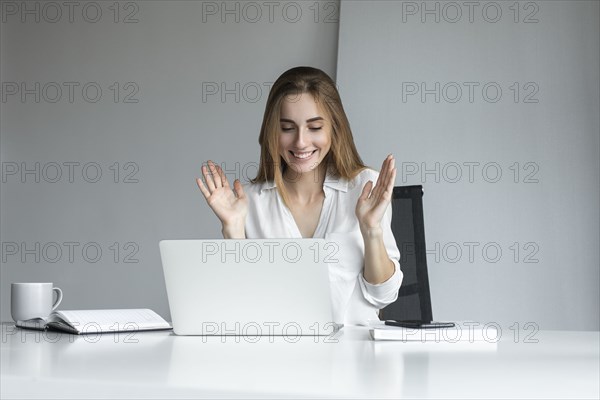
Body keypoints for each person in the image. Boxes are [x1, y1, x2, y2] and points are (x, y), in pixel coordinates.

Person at [196, 66, 402, 325]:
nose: (301, 142)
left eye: (315, 127)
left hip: (354, 355)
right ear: (272, 131)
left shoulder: (364, 187)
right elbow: (243, 303)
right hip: (279, 358)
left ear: (334, 128)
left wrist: (371, 229)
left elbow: (384, 295)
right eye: (287, 128)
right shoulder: (248, 203)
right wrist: (233, 230)